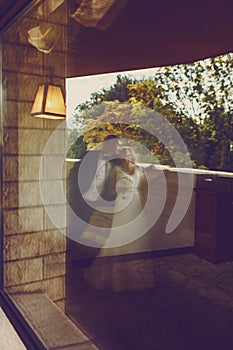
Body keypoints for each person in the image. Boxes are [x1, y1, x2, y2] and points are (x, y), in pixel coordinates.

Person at [104, 146, 148, 248]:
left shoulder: (139, 169)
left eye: (127, 154)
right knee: (121, 228)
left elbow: (143, 188)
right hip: (121, 203)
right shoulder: (115, 170)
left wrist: (145, 204)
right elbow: (110, 191)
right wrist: (119, 190)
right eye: (122, 155)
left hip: (136, 203)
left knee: (136, 228)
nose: (126, 157)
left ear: (132, 155)